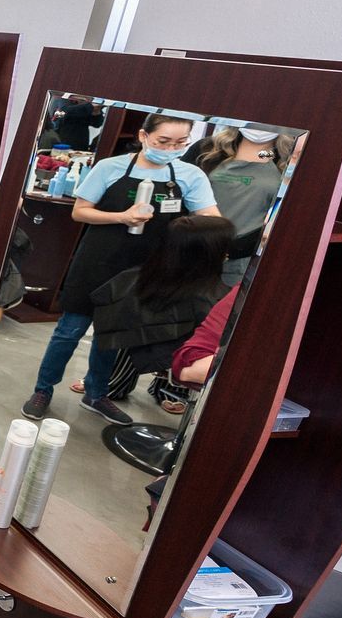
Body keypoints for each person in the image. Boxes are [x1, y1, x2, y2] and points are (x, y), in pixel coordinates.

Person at [24, 113, 221, 425]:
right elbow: (80, 212)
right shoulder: (110, 167)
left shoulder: (189, 175)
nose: (171, 149)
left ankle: (96, 394)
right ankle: (43, 390)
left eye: (180, 143)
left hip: (143, 269)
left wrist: (210, 226)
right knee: (69, 331)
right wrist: (122, 217)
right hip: (96, 263)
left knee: (111, 336)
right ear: (143, 136)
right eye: (163, 141)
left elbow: (209, 215)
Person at [90, 215, 233, 411]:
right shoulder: (212, 295)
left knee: (135, 328)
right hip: (173, 356)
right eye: (225, 248)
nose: (228, 254)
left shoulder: (144, 276)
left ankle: (126, 384)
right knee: (136, 329)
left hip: (166, 350)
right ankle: (116, 383)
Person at [194, 125, 291, 287]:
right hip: (194, 247)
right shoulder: (209, 149)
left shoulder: (282, 160)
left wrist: (235, 248)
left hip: (238, 260)